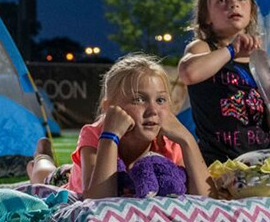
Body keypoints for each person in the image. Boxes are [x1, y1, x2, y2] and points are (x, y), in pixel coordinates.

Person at [177, 0, 270, 162]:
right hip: (220, 162)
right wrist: (231, 50)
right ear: (206, 16)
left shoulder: (261, 59)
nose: (233, 4)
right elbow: (189, 72)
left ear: (251, 11)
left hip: (264, 158)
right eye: (221, 0)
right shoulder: (204, 48)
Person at [68, 54, 209, 199]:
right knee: (46, 171)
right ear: (109, 108)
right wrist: (110, 137)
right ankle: (43, 154)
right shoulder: (96, 135)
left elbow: (207, 199)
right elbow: (98, 200)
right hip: (69, 180)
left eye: (160, 100)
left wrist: (187, 140)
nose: (153, 110)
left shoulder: (169, 143)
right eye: (139, 99)